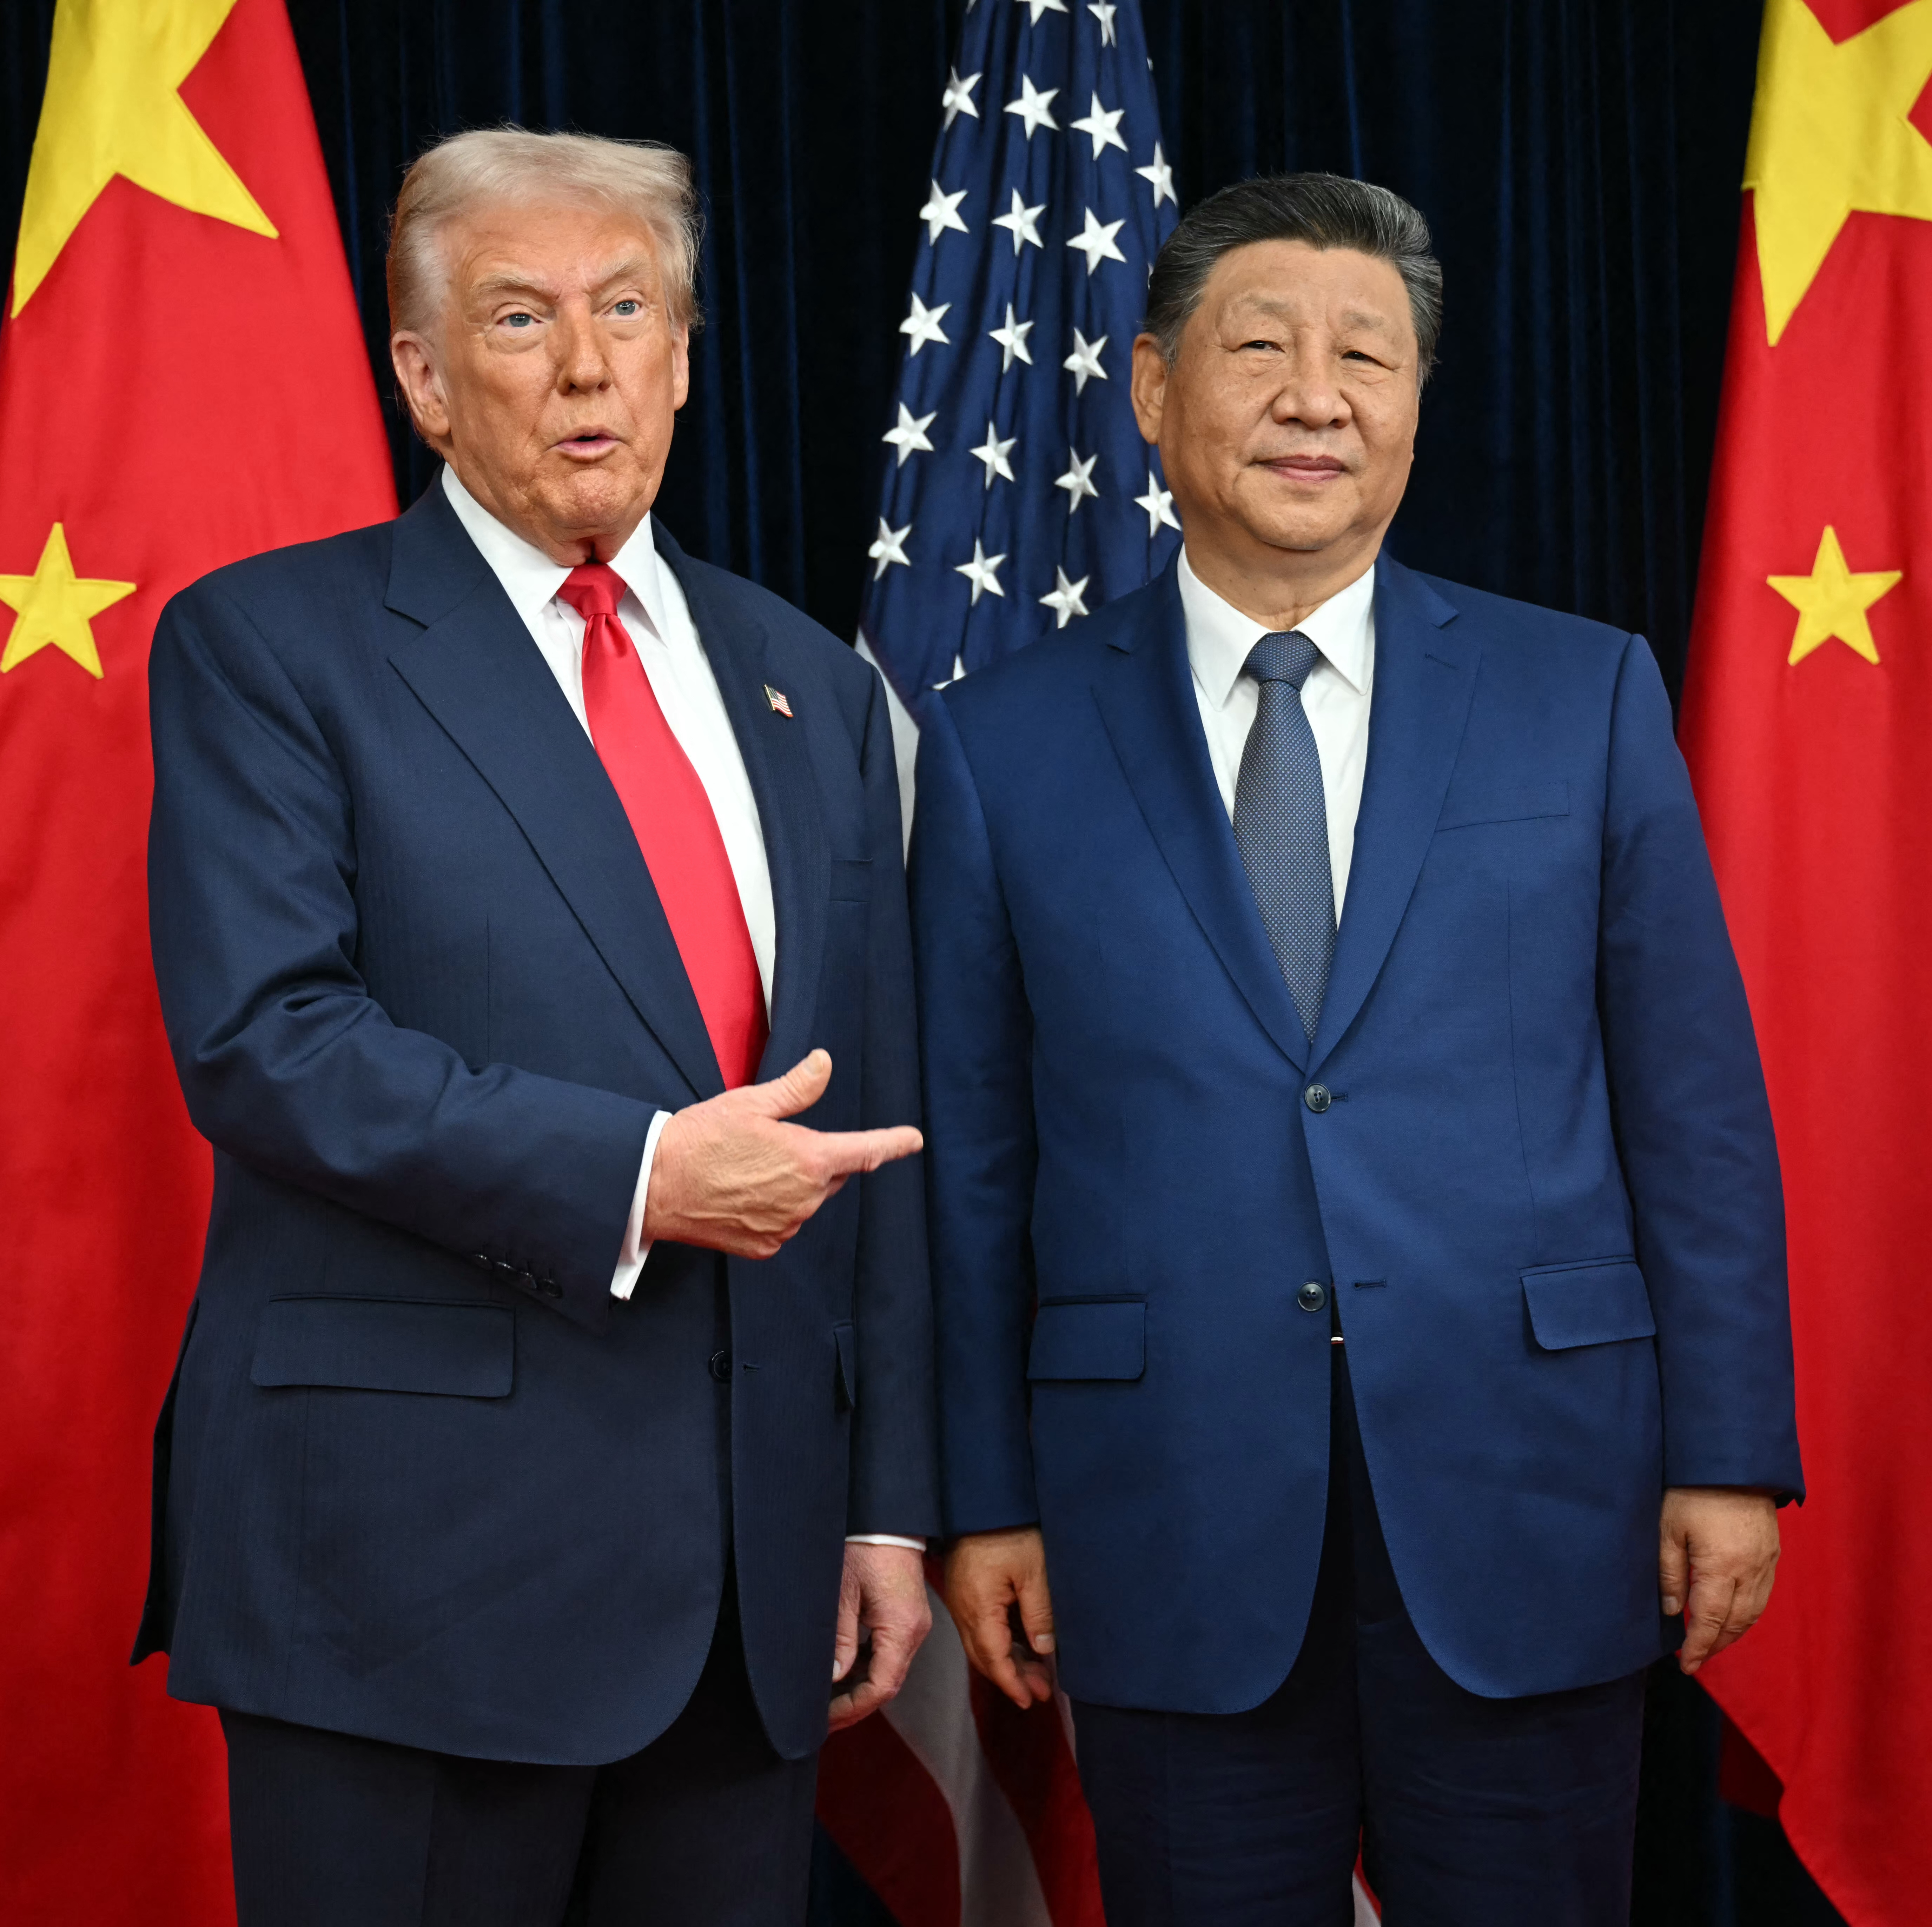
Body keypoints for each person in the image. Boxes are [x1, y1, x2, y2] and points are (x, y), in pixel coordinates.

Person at [912, 173, 1801, 1926]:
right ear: (1154, 391)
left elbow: (1689, 1106)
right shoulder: (999, 742)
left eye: (1365, 356)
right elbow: (976, 1149)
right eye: (1258, 347)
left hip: (1530, 1488)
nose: (1314, 396)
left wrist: (1725, 1448)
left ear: (1411, 403)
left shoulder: (1582, 693)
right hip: (1157, 1513)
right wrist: (979, 1496)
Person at [136, 128, 935, 1927]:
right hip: (411, 1580)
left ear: (678, 352)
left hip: (747, 1594)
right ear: (420, 375)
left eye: (628, 310)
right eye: (518, 316)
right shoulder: (272, 644)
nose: (585, 364)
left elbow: (865, 1112)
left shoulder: (805, 678)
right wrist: (642, 1174)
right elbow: (266, 1036)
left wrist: (881, 1503)